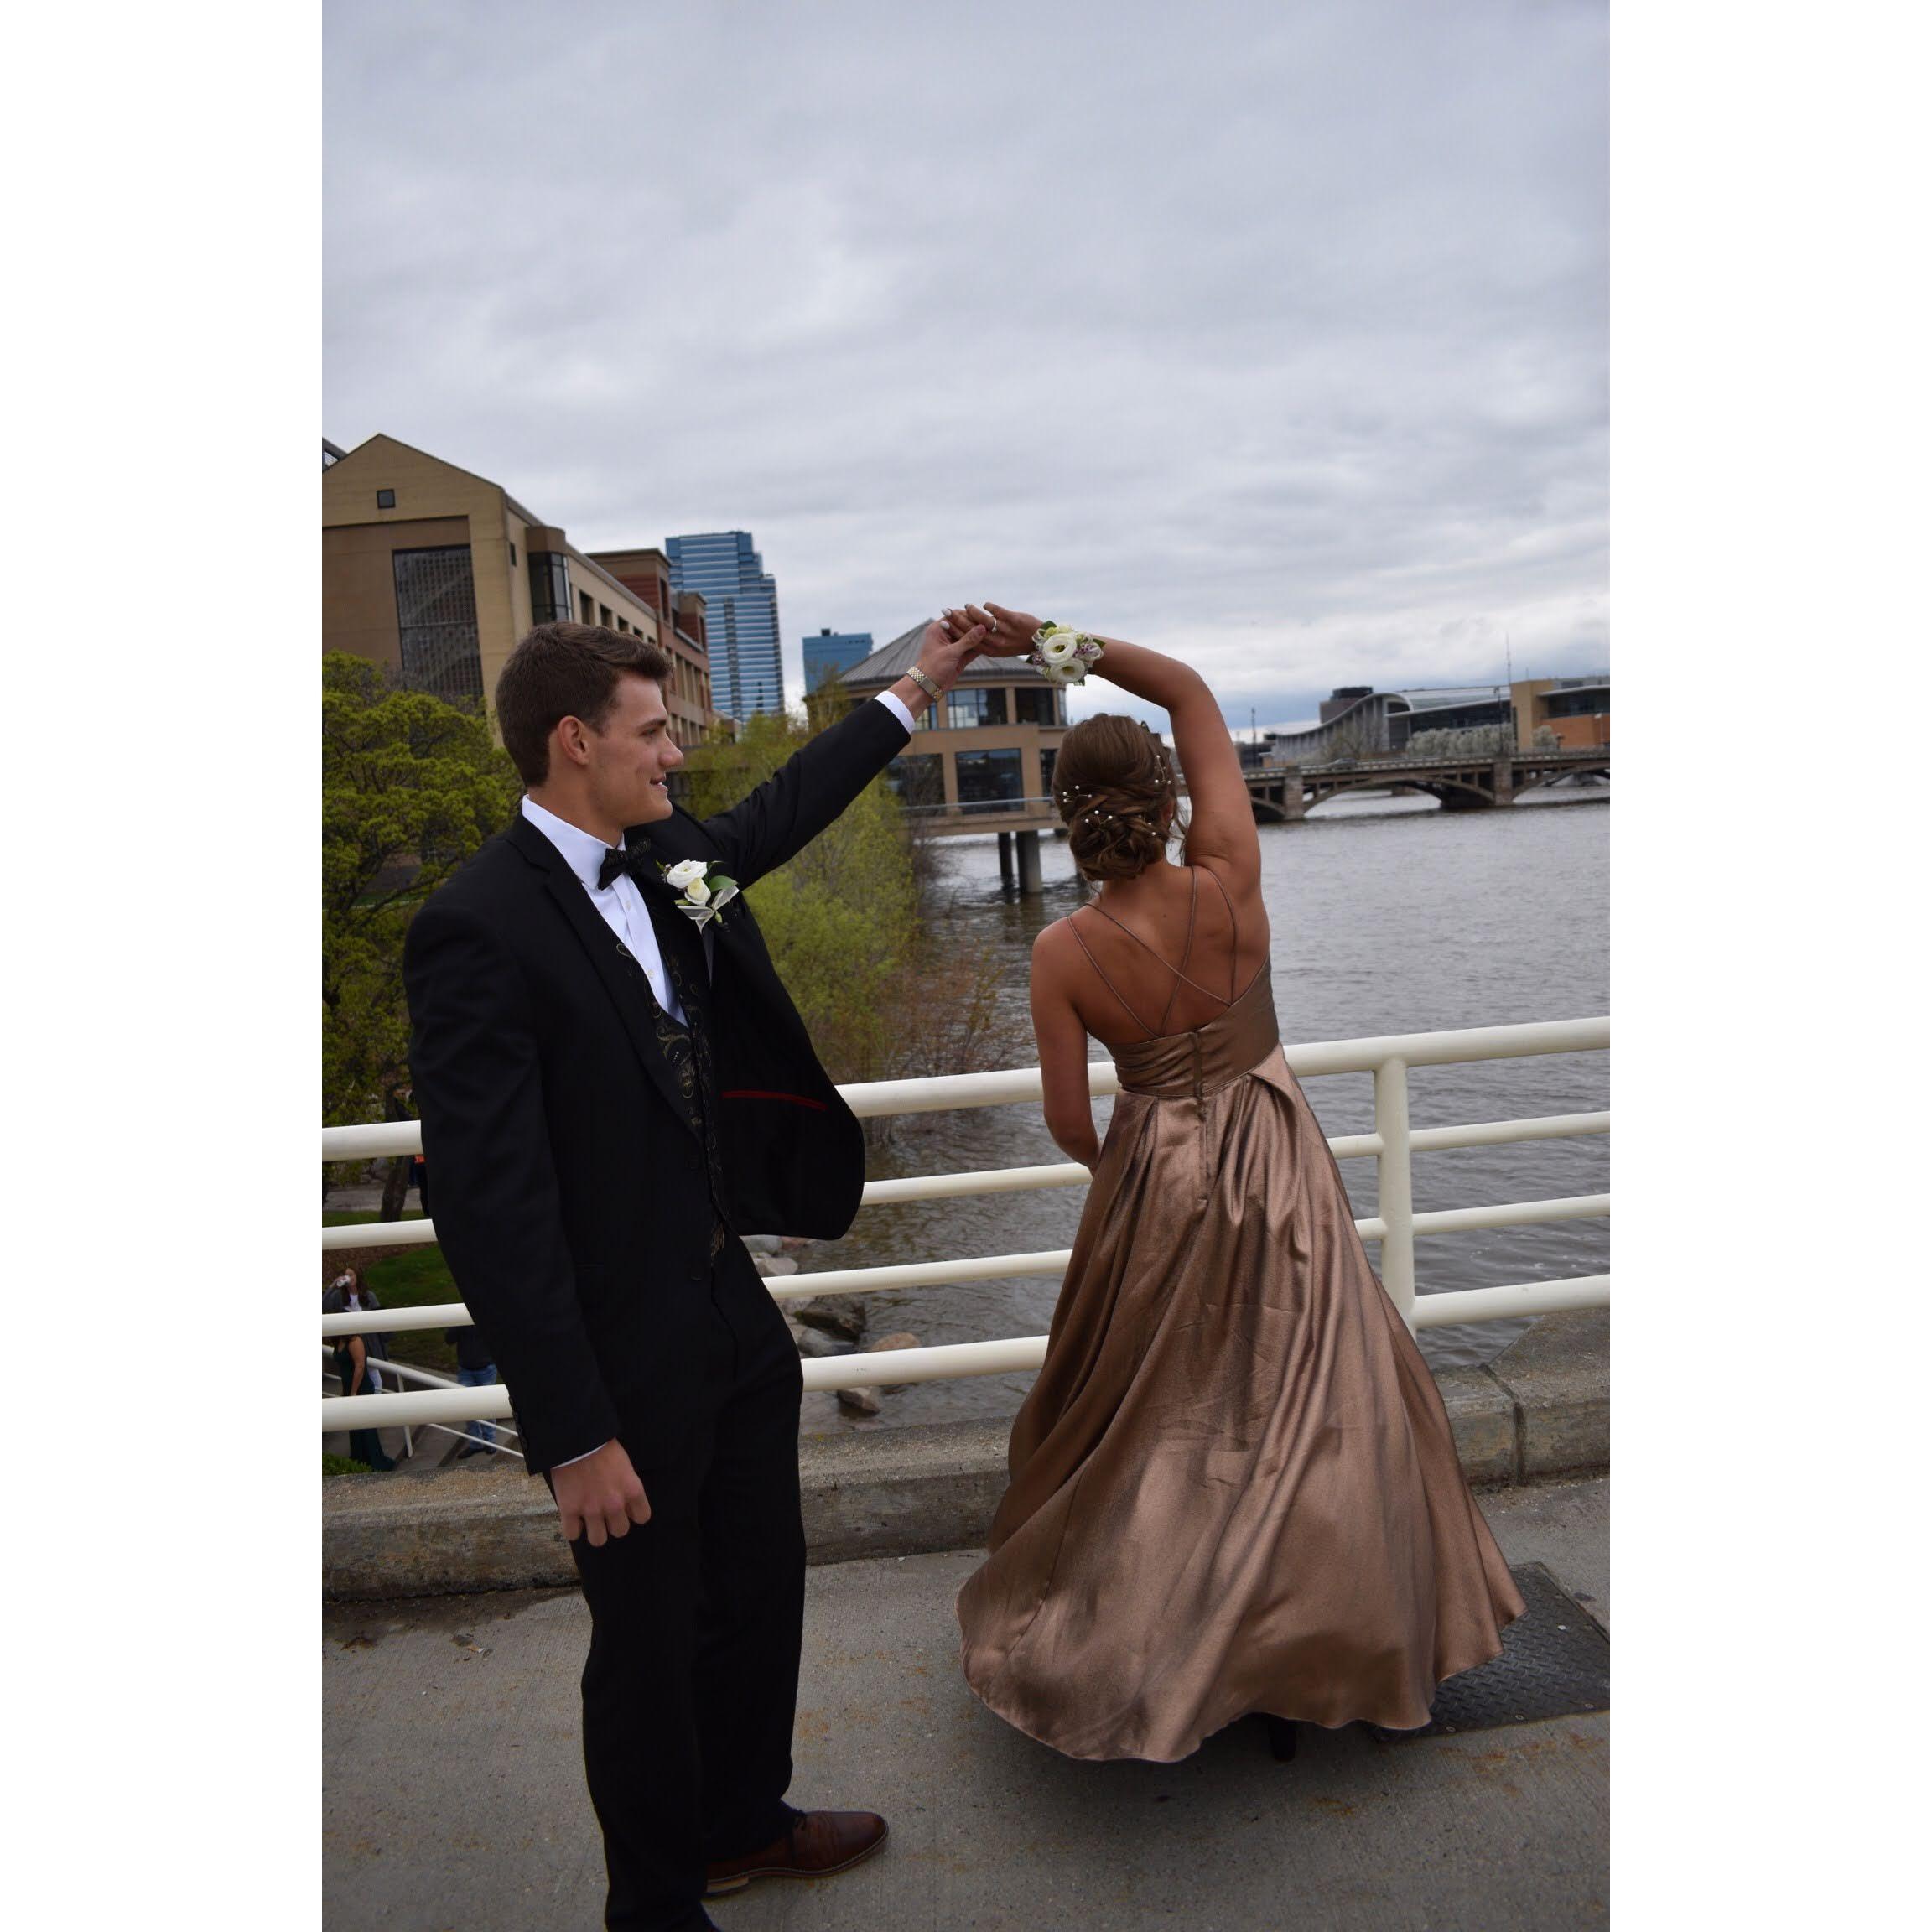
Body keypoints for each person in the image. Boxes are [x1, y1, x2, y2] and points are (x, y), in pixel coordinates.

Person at [403, 615, 988, 1931]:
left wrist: (919, 688)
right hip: (618, 1356)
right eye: (653, 732)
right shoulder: (475, 928)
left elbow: (785, 810)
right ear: (576, 741)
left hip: (730, 1313)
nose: (674, 754)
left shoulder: (670, 864)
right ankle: (656, 1906)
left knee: (760, 1593)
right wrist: (573, 1433)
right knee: (647, 1647)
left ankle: (742, 1822)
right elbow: (492, 1209)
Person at [952, 603, 1526, 1763]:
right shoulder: (1232, 882)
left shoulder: (1061, 955)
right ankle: (1314, 1646)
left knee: (1161, 1421)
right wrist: (1052, 640)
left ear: (1067, 817)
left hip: (1157, 1180)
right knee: (1313, 1401)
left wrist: (1136, 1168)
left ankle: (1158, 1649)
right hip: (1279, 1158)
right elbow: (1190, 691)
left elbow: (1070, 1121)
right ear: (1168, 798)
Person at [324, 1267, 395, 1472]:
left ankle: (375, 1417)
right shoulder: (339, 1298)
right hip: (353, 1360)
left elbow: (379, 1319)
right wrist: (333, 1285)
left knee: (375, 1380)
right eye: (346, 1275)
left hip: (367, 1346)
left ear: (358, 1277)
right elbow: (324, 1306)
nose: (349, 1278)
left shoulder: (368, 1296)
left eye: (352, 1274)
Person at [447, 1320, 500, 1457]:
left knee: (487, 1406)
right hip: (466, 1370)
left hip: (486, 1368)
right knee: (468, 1407)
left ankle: (490, 1441)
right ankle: (476, 1443)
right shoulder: (459, 1317)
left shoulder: (486, 1314)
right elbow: (449, 1339)